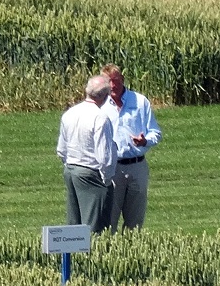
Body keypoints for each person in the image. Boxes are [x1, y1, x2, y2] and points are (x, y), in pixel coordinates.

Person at [101, 63, 160, 232]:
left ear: (123, 79)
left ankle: (133, 253)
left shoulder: (140, 101)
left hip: (137, 166)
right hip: (112, 167)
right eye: (109, 82)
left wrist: (145, 141)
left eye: (116, 80)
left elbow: (155, 132)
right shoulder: (100, 105)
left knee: (135, 221)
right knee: (109, 219)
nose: (113, 85)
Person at [58, 74, 116, 230]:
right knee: (95, 224)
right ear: (105, 96)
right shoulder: (100, 117)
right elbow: (104, 155)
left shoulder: (69, 113)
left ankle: (74, 254)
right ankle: (92, 252)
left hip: (71, 169)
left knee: (74, 222)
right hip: (91, 172)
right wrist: (107, 179)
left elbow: (61, 149)